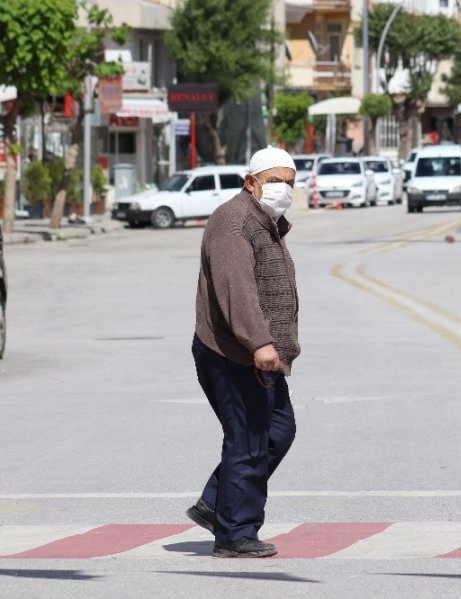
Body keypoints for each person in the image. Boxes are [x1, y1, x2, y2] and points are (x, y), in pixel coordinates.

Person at [187, 147, 300, 558]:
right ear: (250, 182)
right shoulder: (233, 222)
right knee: (249, 440)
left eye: (290, 181)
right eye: (274, 181)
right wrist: (260, 342)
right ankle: (235, 533)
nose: (283, 189)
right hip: (234, 353)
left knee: (277, 432)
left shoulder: (266, 221)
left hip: (258, 354)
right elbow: (237, 290)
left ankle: (217, 503)